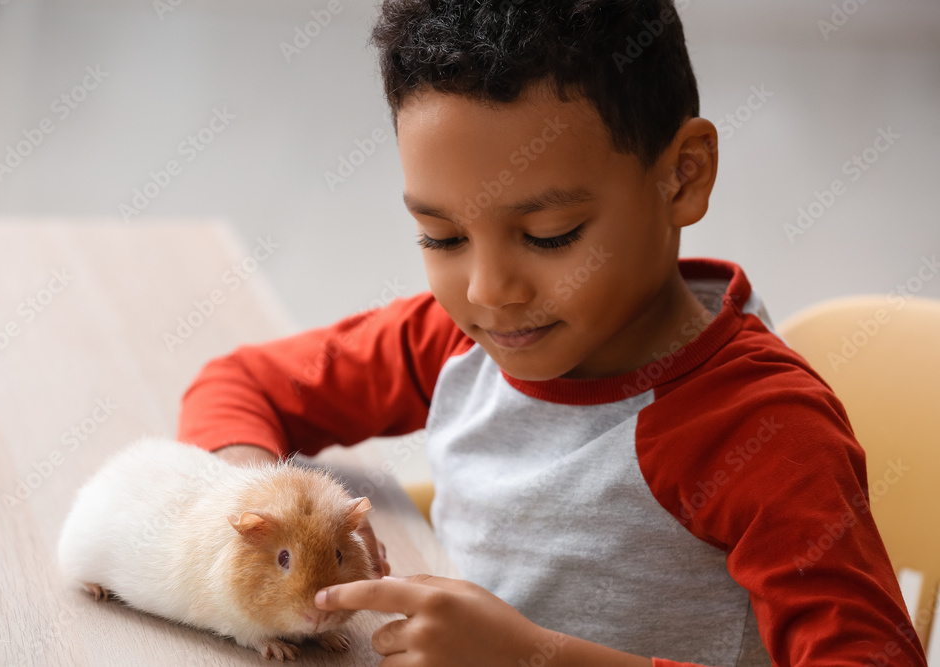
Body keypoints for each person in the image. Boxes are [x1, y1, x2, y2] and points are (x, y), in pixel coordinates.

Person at [177, 1, 928, 664]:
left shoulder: (757, 431)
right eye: (441, 237)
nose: (488, 290)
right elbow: (239, 385)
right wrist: (262, 509)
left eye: (549, 233)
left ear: (684, 175)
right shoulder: (455, 340)